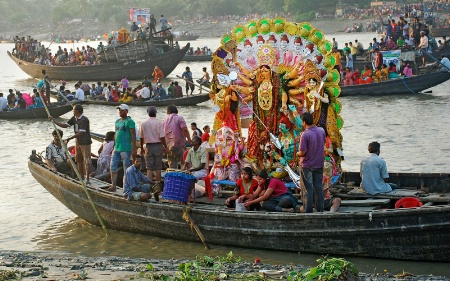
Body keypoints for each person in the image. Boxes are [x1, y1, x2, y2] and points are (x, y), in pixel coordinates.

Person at [50, 104, 92, 184]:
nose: (72, 111)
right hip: (78, 142)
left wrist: (70, 138)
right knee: (79, 159)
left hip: (85, 142)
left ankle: (88, 179)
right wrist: (54, 121)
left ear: (77, 111)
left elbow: (81, 133)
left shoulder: (84, 120)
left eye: (73, 110)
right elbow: (65, 125)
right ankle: (81, 176)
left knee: (87, 161)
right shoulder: (74, 118)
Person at [297, 112, 326, 213]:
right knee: (318, 187)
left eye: (302, 122)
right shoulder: (321, 130)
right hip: (319, 163)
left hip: (307, 165)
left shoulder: (305, 134)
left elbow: (302, 152)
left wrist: (297, 154)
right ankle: (320, 209)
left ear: (304, 122)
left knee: (307, 189)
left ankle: (308, 210)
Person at [139, 106, 167, 195]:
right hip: (158, 145)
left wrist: (141, 148)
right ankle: (157, 188)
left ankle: (149, 187)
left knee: (149, 168)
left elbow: (141, 137)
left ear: (148, 113)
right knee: (158, 167)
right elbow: (162, 136)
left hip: (148, 146)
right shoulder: (158, 123)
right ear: (155, 113)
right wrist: (165, 146)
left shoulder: (143, 123)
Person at [108, 104, 137, 192]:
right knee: (112, 167)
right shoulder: (117, 121)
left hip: (126, 148)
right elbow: (116, 134)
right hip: (117, 148)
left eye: (122, 110)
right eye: (119, 110)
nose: (120, 112)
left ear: (126, 111)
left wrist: (134, 148)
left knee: (126, 168)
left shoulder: (130, 121)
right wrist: (113, 147)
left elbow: (133, 134)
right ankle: (113, 185)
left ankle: (126, 187)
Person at [163, 104, 192, 169]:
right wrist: (189, 140)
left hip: (169, 146)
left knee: (172, 165)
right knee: (184, 163)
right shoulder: (179, 118)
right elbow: (185, 129)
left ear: (168, 112)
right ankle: (184, 177)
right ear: (176, 111)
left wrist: (164, 146)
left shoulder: (164, 121)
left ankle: (173, 177)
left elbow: (161, 134)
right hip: (180, 145)